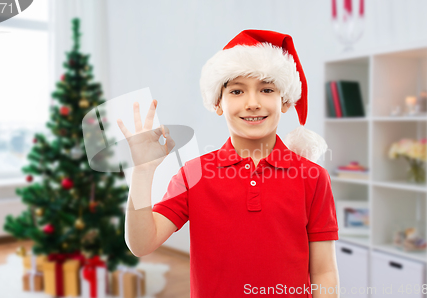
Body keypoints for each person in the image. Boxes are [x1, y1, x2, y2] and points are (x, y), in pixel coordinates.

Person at [118, 29, 340, 298]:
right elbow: (141, 243)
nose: (252, 103)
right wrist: (143, 171)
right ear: (218, 103)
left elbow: (324, 271)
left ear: (284, 101)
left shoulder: (313, 177)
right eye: (237, 91)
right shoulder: (193, 174)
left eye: (266, 89)